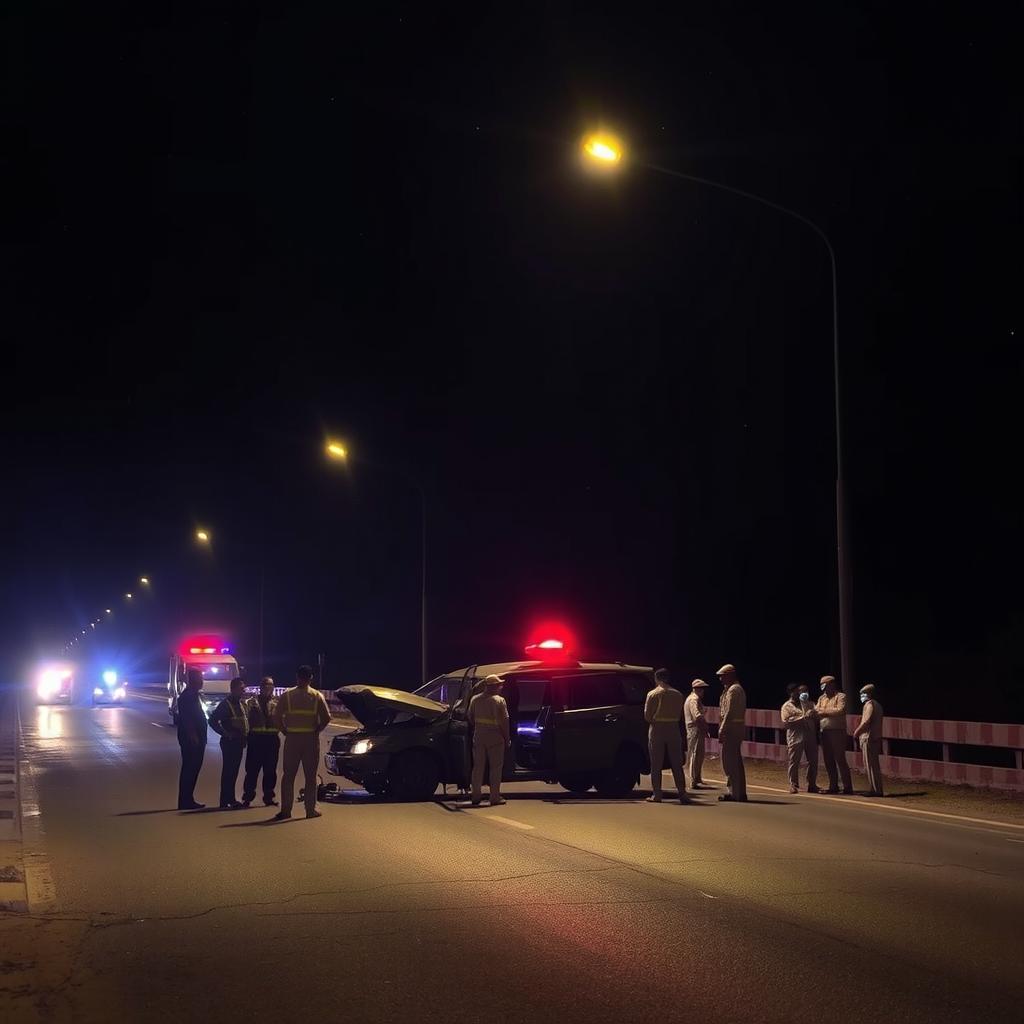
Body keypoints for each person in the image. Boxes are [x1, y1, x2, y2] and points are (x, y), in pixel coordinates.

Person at [272, 665, 331, 820]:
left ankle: (286, 811)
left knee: (288, 776)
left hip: (292, 738)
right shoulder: (317, 696)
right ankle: (310, 810)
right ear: (311, 678)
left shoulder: (287, 695)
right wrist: (317, 729)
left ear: (297, 677)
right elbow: (326, 718)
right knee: (310, 777)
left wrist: (285, 730)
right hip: (310, 740)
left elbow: (276, 717)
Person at [643, 669, 688, 804]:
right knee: (676, 763)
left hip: (657, 729)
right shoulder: (678, 694)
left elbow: (647, 716)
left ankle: (657, 794)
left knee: (656, 763)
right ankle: (682, 793)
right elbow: (680, 715)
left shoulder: (652, 694)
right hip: (673, 728)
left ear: (657, 679)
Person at [468, 675, 510, 806]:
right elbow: (504, 722)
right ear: (494, 687)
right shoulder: (499, 701)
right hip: (495, 737)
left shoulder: (475, 699)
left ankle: (475, 796)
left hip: (479, 736)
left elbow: (470, 717)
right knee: (495, 768)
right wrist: (507, 738)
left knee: (478, 767)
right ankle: (494, 797)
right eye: (499, 685)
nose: (500, 687)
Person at [209, 676, 249, 809]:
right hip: (230, 743)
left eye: (244, 689)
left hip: (239, 742)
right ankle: (225, 800)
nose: (243, 691)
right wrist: (225, 734)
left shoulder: (241, 704)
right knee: (228, 772)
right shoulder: (226, 704)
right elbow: (212, 720)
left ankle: (230, 799)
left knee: (234, 772)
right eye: (241, 689)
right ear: (233, 689)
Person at [242, 676, 280, 807]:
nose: (268, 688)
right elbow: (245, 720)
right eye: (265, 686)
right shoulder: (251, 702)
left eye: (271, 686)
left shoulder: (277, 703)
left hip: (271, 740)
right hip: (256, 739)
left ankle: (269, 797)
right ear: (261, 687)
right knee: (252, 770)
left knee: (270, 771)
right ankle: (247, 797)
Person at [815, 674, 853, 794]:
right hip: (824, 731)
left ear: (832, 684)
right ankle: (833, 785)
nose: (825, 688)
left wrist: (824, 712)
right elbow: (816, 710)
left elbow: (840, 710)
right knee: (828, 760)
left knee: (840, 759)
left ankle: (847, 787)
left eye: (826, 685)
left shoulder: (841, 696)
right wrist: (822, 712)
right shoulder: (822, 698)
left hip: (837, 731)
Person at [177, 668, 208, 810]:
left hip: (196, 738)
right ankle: (185, 800)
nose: (202, 681)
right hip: (191, 740)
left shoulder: (194, 695)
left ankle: (188, 798)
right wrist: (193, 735)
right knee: (190, 768)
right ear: (194, 679)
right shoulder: (188, 696)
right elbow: (187, 718)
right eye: (200, 677)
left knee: (192, 769)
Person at [716, 664, 748, 802]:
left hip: (732, 727)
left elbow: (729, 712)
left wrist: (722, 729)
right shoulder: (732, 689)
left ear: (730, 675)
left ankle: (735, 792)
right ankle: (738, 792)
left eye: (722, 676)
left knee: (730, 761)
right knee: (734, 760)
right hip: (735, 726)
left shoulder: (733, 690)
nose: (721, 679)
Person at [781, 683, 820, 794]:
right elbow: (786, 722)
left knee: (813, 760)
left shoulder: (807, 704)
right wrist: (803, 717)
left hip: (810, 735)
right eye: (796, 691)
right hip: (795, 736)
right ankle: (793, 784)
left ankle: (812, 784)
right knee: (794, 761)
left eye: (799, 691)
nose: (799, 693)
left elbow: (816, 716)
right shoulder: (787, 706)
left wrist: (814, 714)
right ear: (791, 693)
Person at [853, 683, 885, 796]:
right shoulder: (878, 705)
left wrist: (857, 732)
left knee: (870, 765)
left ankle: (875, 790)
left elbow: (866, 722)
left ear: (869, 694)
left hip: (868, 737)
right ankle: (875, 789)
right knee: (873, 764)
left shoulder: (869, 705)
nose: (862, 696)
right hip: (875, 737)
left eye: (864, 694)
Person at [684, 678, 710, 788]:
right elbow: (697, 716)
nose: (703, 691)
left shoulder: (692, 698)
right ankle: (693, 780)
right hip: (695, 728)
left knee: (699, 754)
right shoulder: (693, 699)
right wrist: (705, 727)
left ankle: (697, 778)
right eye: (701, 689)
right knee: (695, 754)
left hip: (695, 728)